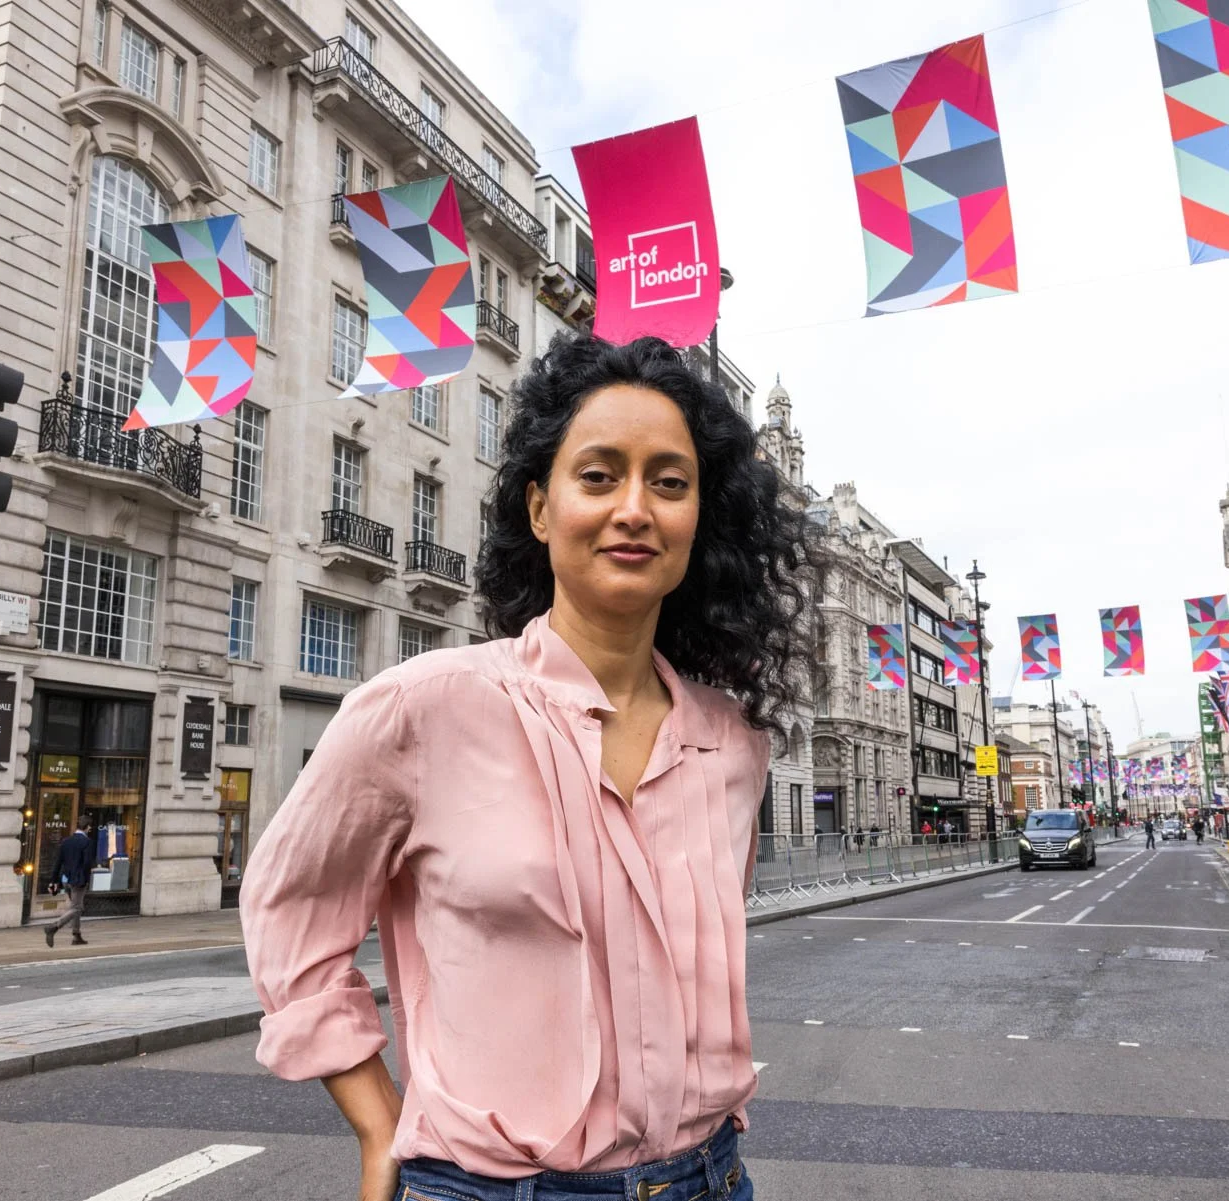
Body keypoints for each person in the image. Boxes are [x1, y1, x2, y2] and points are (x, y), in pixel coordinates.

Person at [242, 334, 816, 1201]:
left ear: (701, 518)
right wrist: (375, 1122)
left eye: (669, 481)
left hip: (710, 1179)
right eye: (598, 475)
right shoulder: (421, 708)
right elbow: (290, 918)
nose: (635, 508)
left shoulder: (734, 744)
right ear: (541, 509)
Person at [45, 817, 97, 947]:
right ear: (86, 827)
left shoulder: (66, 841)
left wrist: (53, 880)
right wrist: (86, 879)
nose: (90, 829)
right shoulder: (87, 842)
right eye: (90, 827)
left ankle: (76, 935)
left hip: (66, 879)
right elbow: (86, 863)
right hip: (78, 880)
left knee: (76, 907)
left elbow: (58, 862)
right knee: (77, 907)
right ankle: (54, 927)